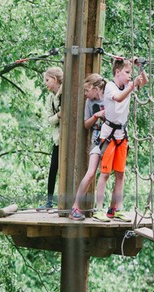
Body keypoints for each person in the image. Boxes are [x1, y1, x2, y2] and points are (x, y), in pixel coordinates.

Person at [94, 58, 148, 222]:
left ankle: (115, 209)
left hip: (121, 135)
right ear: (117, 72)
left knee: (120, 174)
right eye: (126, 72)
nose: (129, 76)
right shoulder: (110, 86)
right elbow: (118, 98)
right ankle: (99, 209)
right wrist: (131, 86)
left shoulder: (128, 85)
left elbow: (144, 81)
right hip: (109, 134)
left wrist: (140, 67)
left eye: (130, 74)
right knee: (105, 174)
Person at [69, 74, 106, 221]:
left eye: (87, 90)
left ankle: (103, 209)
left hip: (110, 138)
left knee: (106, 173)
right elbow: (86, 124)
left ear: (96, 89)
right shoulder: (89, 102)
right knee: (91, 173)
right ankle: (75, 206)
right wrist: (96, 115)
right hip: (97, 139)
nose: (85, 94)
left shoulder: (109, 97)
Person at [38, 66, 63, 210]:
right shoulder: (50, 98)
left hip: (68, 138)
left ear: (54, 79)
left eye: (47, 80)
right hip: (58, 138)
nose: (45, 83)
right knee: (53, 168)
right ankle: (49, 201)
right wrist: (58, 116)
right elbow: (49, 119)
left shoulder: (65, 92)